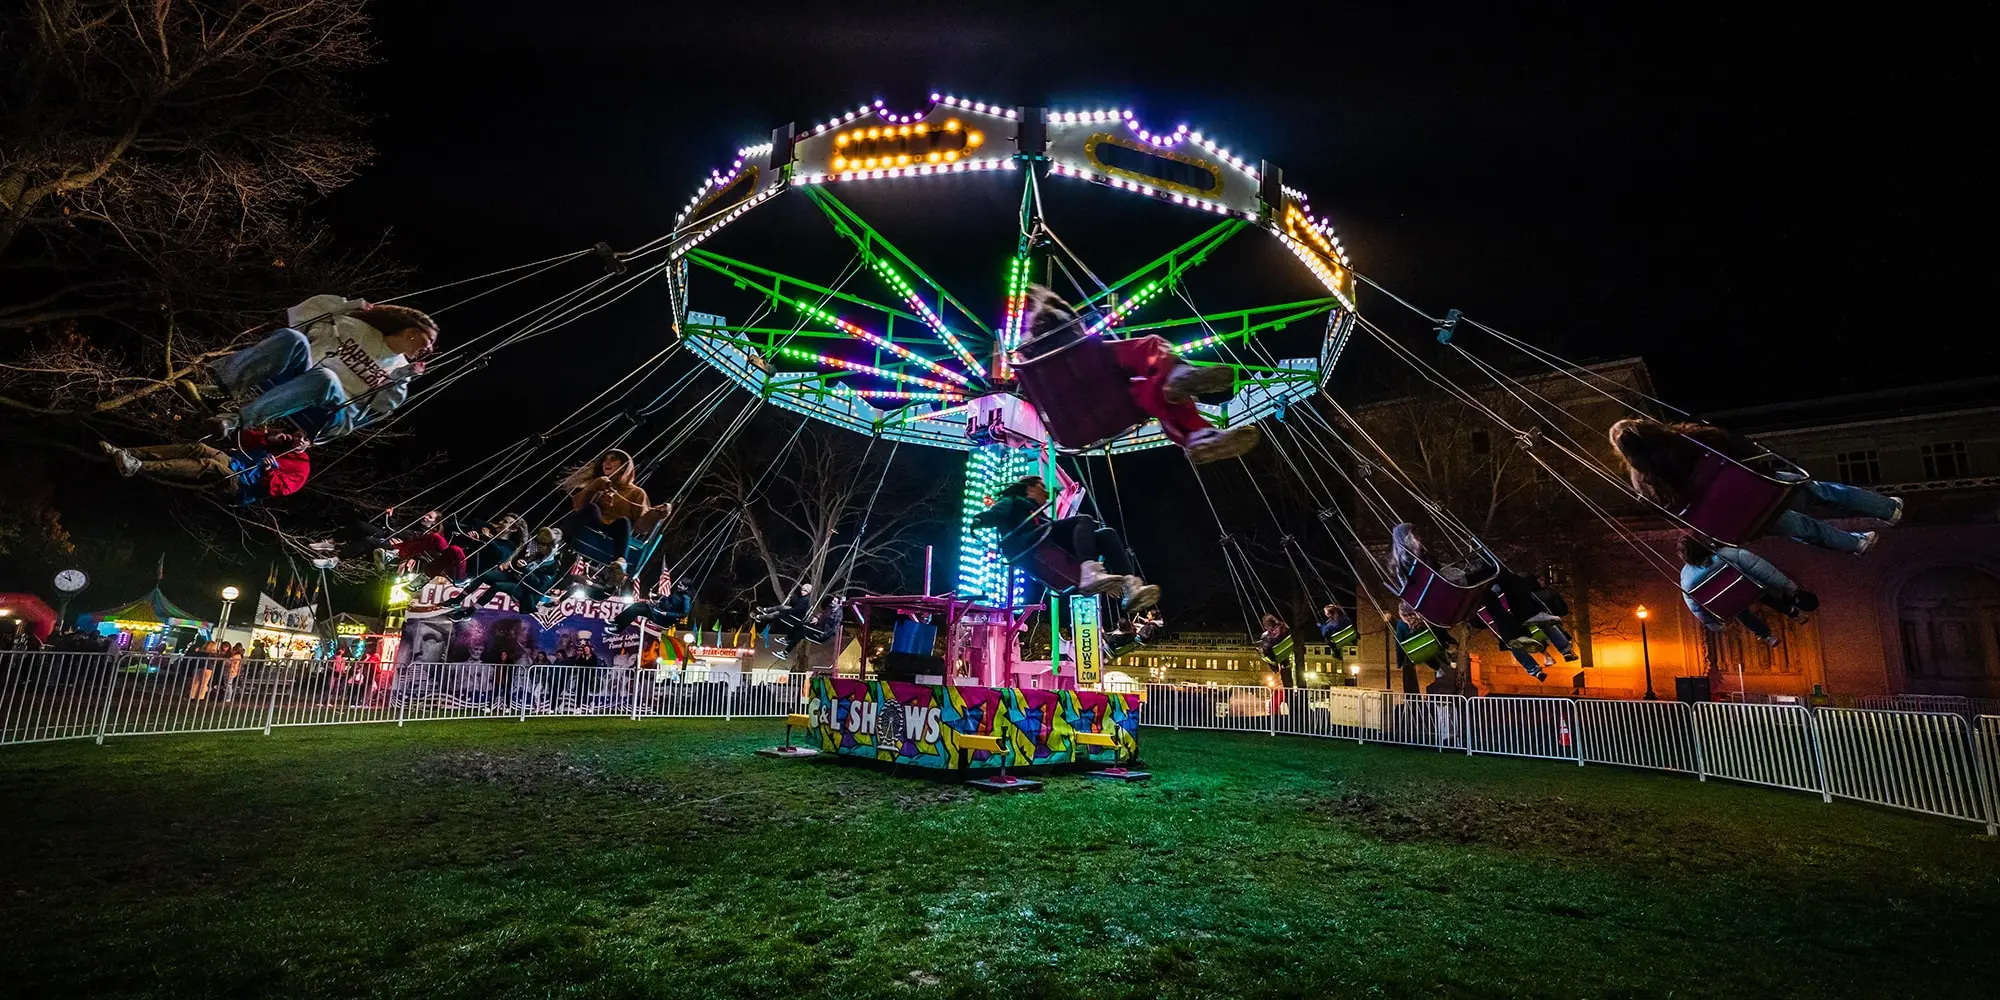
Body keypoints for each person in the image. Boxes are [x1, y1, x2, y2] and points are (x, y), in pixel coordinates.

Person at [1019, 284, 1260, 463]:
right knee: (1150, 351)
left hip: (1076, 429)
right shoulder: (1086, 355)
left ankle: (1198, 433)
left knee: (1154, 393)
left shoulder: (1034, 373)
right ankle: (1188, 408)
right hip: (1120, 405)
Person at [1609, 417, 1904, 554]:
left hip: (1740, 521)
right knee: (1821, 491)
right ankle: (1887, 510)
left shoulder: (1647, 486)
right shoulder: (1685, 439)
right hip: (1759, 490)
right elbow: (1731, 444)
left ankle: (1856, 543)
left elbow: (1674, 512)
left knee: (1801, 528)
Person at [193, 295, 437, 442]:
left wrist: (402, 378)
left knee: (326, 377)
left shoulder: (400, 369)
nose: (428, 351)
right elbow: (302, 317)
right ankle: (224, 387)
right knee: (293, 338)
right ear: (412, 333)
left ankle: (235, 420)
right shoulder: (359, 330)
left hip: (333, 413)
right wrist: (347, 306)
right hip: (303, 381)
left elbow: (384, 407)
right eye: (427, 343)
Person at [968, 475, 1160, 611]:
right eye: (1042, 488)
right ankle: (1090, 573)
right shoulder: (1014, 501)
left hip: (1045, 539)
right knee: (1083, 519)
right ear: (1030, 488)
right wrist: (979, 521)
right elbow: (996, 514)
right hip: (1027, 540)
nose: (1046, 494)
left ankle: (1130, 585)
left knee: (1107, 534)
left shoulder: (1039, 513)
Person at [100, 429, 309, 505]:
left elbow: (283, 488)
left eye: (305, 439)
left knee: (210, 465)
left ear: (310, 444)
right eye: (299, 434)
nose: (300, 439)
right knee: (199, 448)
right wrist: (268, 436)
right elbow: (243, 437)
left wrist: (268, 472)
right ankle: (127, 453)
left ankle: (138, 467)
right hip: (234, 463)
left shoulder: (301, 466)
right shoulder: (277, 444)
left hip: (240, 486)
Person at [558, 449, 667, 590]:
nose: (606, 463)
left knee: (623, 521)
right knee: (592, 508)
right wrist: (594, 487)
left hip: (614, 533)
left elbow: (641, 528)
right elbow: (578, 507)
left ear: (624, 466)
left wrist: (655, 515)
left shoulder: (636, 493)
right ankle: (558, 536)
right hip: (593, 525)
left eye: (613, 459)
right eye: (605, 459)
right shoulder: (600, 484)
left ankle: (619, 562)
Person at [1678, 535, 1814, 646]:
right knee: (1763, 593)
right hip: (1750, 589)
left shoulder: (1686, 578)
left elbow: (1695, 607)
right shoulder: (1726, 554)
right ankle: (1794, 613)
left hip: (1729, 603)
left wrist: (1713, 625)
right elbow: (1762, 569)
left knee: (1739, 612)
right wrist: (1789, 586)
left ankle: (1766, 636)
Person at [454, 527, 564, 615]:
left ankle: (469, 612)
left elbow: (540, 586)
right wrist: (518, 564)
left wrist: (525, 569)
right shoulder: (535, 555)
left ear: (551, 548)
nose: (539, 546)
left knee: (498, 586)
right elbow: (518, 560)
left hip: (526, 591)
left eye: (543, 544)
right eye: (539, 543)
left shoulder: (553, 566)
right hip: (516, 578)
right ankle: (456, 600)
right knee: (485, 575)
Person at [614, 573, 694, 636]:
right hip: (658, 609)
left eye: (681, 585)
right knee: (637, 604)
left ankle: (618, 629)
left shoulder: (686, 598)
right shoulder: (678, 593)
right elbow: (668, 600)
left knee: (636, 610)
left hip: (662, 617)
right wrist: (657, 596)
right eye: (678, 584)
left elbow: (684, 614)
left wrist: (667, 614)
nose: (678, 586)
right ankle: (616, 621)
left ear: (686, 588)